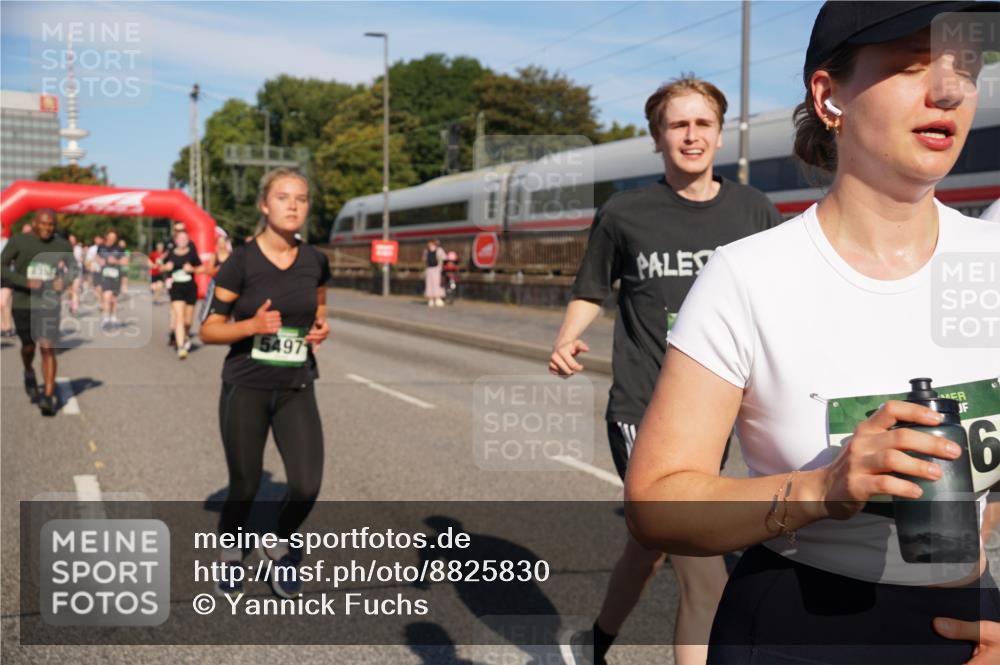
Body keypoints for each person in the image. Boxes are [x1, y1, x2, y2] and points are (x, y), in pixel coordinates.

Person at [625, 3, 1000, 664]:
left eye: (965, 66)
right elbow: (655, 501)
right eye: (912, 62)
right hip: (798, 630)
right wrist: (821, 490)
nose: (948, 89)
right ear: (830, 97)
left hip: (970, 629)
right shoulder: (747, 277)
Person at [551, 76, 781, 665]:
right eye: (678, 125)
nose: (691, 135)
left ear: (720, 133)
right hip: (643, 410)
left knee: (646, 548)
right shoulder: (625, 213)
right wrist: (568, 338)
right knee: (707, 579)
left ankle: (594, 643)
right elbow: (590, 289)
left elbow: (779, 301)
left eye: (702, 123)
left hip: (719, 409)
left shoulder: (755, 210)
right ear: (657, 137)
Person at [199, 167, 330, 598]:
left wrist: (320, 329)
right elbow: (209, 329)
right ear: (264, 205)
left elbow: (319, 308)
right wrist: (251, 325)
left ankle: (278, 542)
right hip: (246, 386)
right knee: (246, 484)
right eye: (283, 197)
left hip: (296, 385)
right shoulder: (240, 261)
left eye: (301, 198)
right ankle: (232, 550)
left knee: (307, 484)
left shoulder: (315, 260)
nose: (293, 205)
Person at [0, 209, 74, 416]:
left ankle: (48, 396)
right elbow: (1, 266)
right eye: (43, 223)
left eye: (51, 224)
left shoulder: (62, 245)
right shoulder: (18, 241)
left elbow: (74, 267)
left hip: (49, 303)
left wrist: (65, 281)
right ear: (34, 223)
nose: (47, 228)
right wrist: (25, 282)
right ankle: (28, 371)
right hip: (24, 303)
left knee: (47, 346)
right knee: (29, 348)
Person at [160, 229, 204, 359]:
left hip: (190, 287)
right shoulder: (170, 254)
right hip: (176, 287)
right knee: (179, 316)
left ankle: (185, 336)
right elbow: (159, 265)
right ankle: (180, 347)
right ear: (176, 240)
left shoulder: (192, 254)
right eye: (180, 238)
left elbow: (201, 268)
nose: (183, 240)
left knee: (187, 321)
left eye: (185, 238)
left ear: (188, 240)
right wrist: (165, 267)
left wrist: (192, 269)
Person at [96, 229, 126, 329]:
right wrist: (100, 260)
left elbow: (125, 261)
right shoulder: (101, 247)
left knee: (114, 298)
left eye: (114, 238)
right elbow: (97, 257)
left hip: (116, 275)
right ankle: (105, 317)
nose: (112, 239)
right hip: (105, 275)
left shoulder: (119, 248)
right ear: (106, 237)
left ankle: (113, 316)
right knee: (107, 295)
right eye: (110, 237)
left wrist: (116, 261)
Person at [423, 239, 447, 307]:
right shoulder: (439, 250)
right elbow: (444, 258)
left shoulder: (426, 251)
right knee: (436, 284)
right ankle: (437, 299)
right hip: (436, 269)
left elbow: (424, 260)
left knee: (430, 284)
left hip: (430, 269)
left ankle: (431, 299)